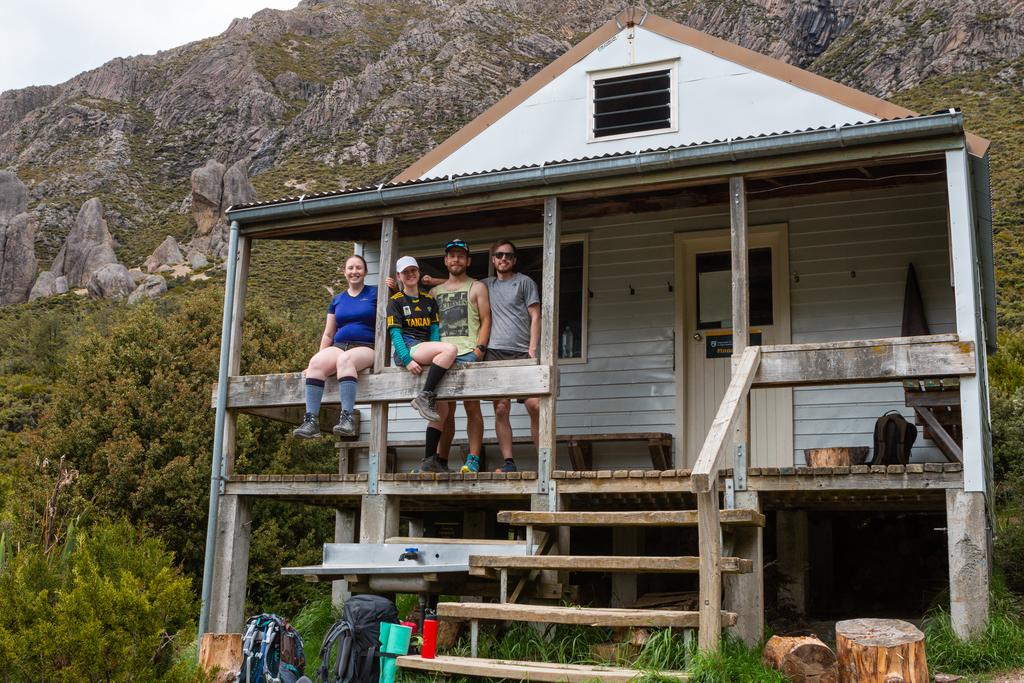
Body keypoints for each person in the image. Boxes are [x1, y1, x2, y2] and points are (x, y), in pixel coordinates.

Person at [293, 254, 377, 439]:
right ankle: (311, 422)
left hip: (366, 347)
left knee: (344, 360)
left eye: (358, 268)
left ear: (365, 272)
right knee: (315, 363)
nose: (354, 271)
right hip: (339, 345)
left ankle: (347, 419)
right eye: (351, 268)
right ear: (344, 272)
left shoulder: (375, 293)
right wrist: (318, 359)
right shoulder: (337, 299)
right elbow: (328, 334)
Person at [426, 239, 491, 474]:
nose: (456, 260)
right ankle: (440, 459)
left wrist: (479, 350)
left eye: (460, 256)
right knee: (444, 409)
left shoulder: (477, 287)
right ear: (445, 260)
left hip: (468, 353)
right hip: (442, 355)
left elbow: (486, 319)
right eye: (451, 256)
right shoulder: (434, 292)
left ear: (468, 260)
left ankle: (473, 458)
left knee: (472, 406)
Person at [482, 240, 541, 472]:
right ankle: (509, 463)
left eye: (508, 255)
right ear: (493, 259)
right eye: (499, 255)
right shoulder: (485, 285)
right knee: (501, 408)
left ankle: (544, 461)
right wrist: (428, 281)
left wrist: (533, 349)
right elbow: (455, 285)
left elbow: (536, 315)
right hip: (495, 352)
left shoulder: (524, 282)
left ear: (514, 259)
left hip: (521, 352)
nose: (503, 259)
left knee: (535, 406)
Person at [387, 256, 458, 430]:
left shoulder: (429, 300)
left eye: (413, 270)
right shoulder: (395, 301)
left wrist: (433, 353)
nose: (410, 274)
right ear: (399, 276)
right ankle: (424, 396)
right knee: (450, 350)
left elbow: (434, 332)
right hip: (408, 349)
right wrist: (406, 359)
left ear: (418, 272)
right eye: (405, 272)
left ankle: (431, 457)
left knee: (442, 409)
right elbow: (395, 333)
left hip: (424, 349)